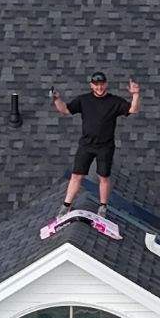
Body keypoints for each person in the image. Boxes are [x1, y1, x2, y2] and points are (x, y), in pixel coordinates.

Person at [54, 72, 142, 217]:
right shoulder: (84, 100)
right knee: (76, 175)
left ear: (106, 84)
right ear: (91, 85)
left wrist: (136, 94)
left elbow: (133, 109)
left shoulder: (114, 101)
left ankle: (103, 207)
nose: (99, 87)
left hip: (105, 147)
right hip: (86, 145)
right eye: (96, 84)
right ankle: (66, 205)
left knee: (104, 177)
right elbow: (65, 109)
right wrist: (56, 99)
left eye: (102, 84)